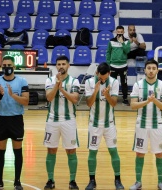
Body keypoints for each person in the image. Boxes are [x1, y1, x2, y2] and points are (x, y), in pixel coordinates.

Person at [129, 59, 162, 190]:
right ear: (145, 70)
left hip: (157, 125)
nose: (151, 71)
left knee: (159, 154)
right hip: (141, 124)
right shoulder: (138, 85)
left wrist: (154, 100)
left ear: (157, 70)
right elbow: (133, 105)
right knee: (139, 153)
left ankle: (160, 182)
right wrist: (147, 101)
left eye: (153, 68)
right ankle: (138, 182)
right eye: (149, 68)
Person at [84, 62, 125, 190]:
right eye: (100, 78)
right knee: (92, 152)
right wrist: (96, 91)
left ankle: (118, 180)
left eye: (105, 78)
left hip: (109, 124)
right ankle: (92, 181)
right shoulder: (89, 82)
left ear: (109, 73)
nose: (102, 80)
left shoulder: (114, 82)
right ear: (96, 73)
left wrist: (106, 95)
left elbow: (113, 104)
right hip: (94, 124)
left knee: (113, 151)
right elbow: (89, 104)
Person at [43, 55, 80, 190]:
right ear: (56, 66)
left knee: (71, 150)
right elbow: (49, 97)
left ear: (68, 65)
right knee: (51, 150)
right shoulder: (50, 80)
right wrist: (56, 86)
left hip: (69, 120)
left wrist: (62, 88)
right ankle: (50, 180)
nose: (61, 66)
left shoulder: (74, 81)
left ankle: (72, 181)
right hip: (52, 120)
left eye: (63, 64)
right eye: (58, 64)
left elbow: (75, 99)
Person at [0, 55, 29, 190]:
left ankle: (17, 181)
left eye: (9, 66)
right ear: (1, 67)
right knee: (1, 151)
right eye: (5, 66)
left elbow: (26, 101)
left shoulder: (22, 81)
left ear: (14, 67)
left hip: (16, 119)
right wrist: (0, 95)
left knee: (17, 151)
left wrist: (13, 95)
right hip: (1, 119)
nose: (7, 68)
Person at [106, 25, 131, 106]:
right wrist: (108, 64)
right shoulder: (111, 41)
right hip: (113, 66)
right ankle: (111, 98)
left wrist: (122, 43)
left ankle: (125, 99)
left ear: (124, 32)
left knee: (124, 83)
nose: (119, 34)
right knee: (112, 83)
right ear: (116, 32)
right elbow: (108, 52)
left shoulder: (127, 41)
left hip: (123, 65)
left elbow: (127, 51)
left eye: (121, 32)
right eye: (118, 32)